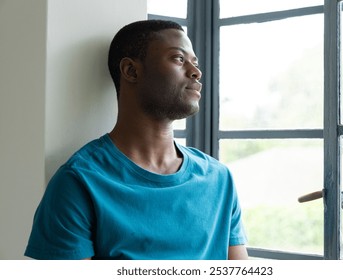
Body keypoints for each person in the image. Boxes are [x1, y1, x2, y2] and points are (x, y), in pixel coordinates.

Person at [24, 20, 248, 260]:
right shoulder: (79, 181)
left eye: (195, 63)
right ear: (131, 71)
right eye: (178, 59)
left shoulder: (219, 180)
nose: (196, 72)